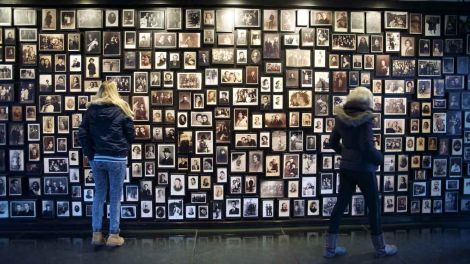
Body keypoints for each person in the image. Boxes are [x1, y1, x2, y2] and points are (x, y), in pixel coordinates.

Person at [324, 87, 397, 258]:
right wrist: (380, 159)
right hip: (364, 169)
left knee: (340, 205)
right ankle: (381, 249)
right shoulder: (366, 119)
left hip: (346, 168)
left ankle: (330, 249)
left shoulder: (341, 117)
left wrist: (347, 154)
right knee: (374, 208)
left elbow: (333, 142)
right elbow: (366, 147)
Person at [78, 81, 135, 247]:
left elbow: (82, 133)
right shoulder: (122, 109)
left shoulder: (91, 110)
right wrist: (123, 147)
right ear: (114, 91)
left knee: (99, 194)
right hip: (117, 158)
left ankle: (96, 234)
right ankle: (113, 235)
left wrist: (90, 154)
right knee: (115, 196)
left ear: (100, 91)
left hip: (98, 158)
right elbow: (131, 134)